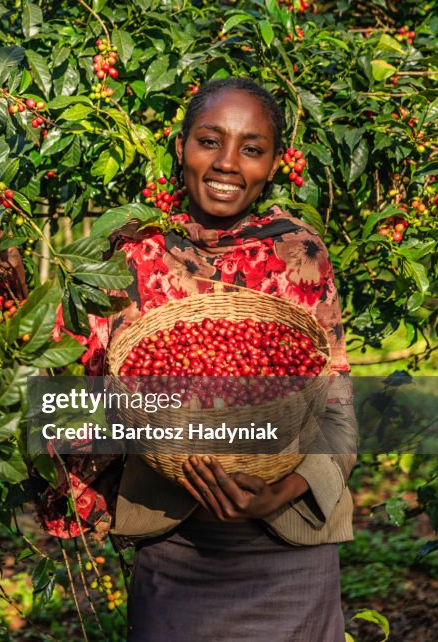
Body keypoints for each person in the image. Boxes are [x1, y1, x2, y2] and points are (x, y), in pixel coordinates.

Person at [45, 77, 357, 641]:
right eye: (210, 141)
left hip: (288, 550)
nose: (228, 164)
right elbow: (78, 400)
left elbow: (336, 408)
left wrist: (278, 492)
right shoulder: (133, 255)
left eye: (252, 149)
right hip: (176, 545)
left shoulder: (299, 252)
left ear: (274, 162)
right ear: (181, 145)